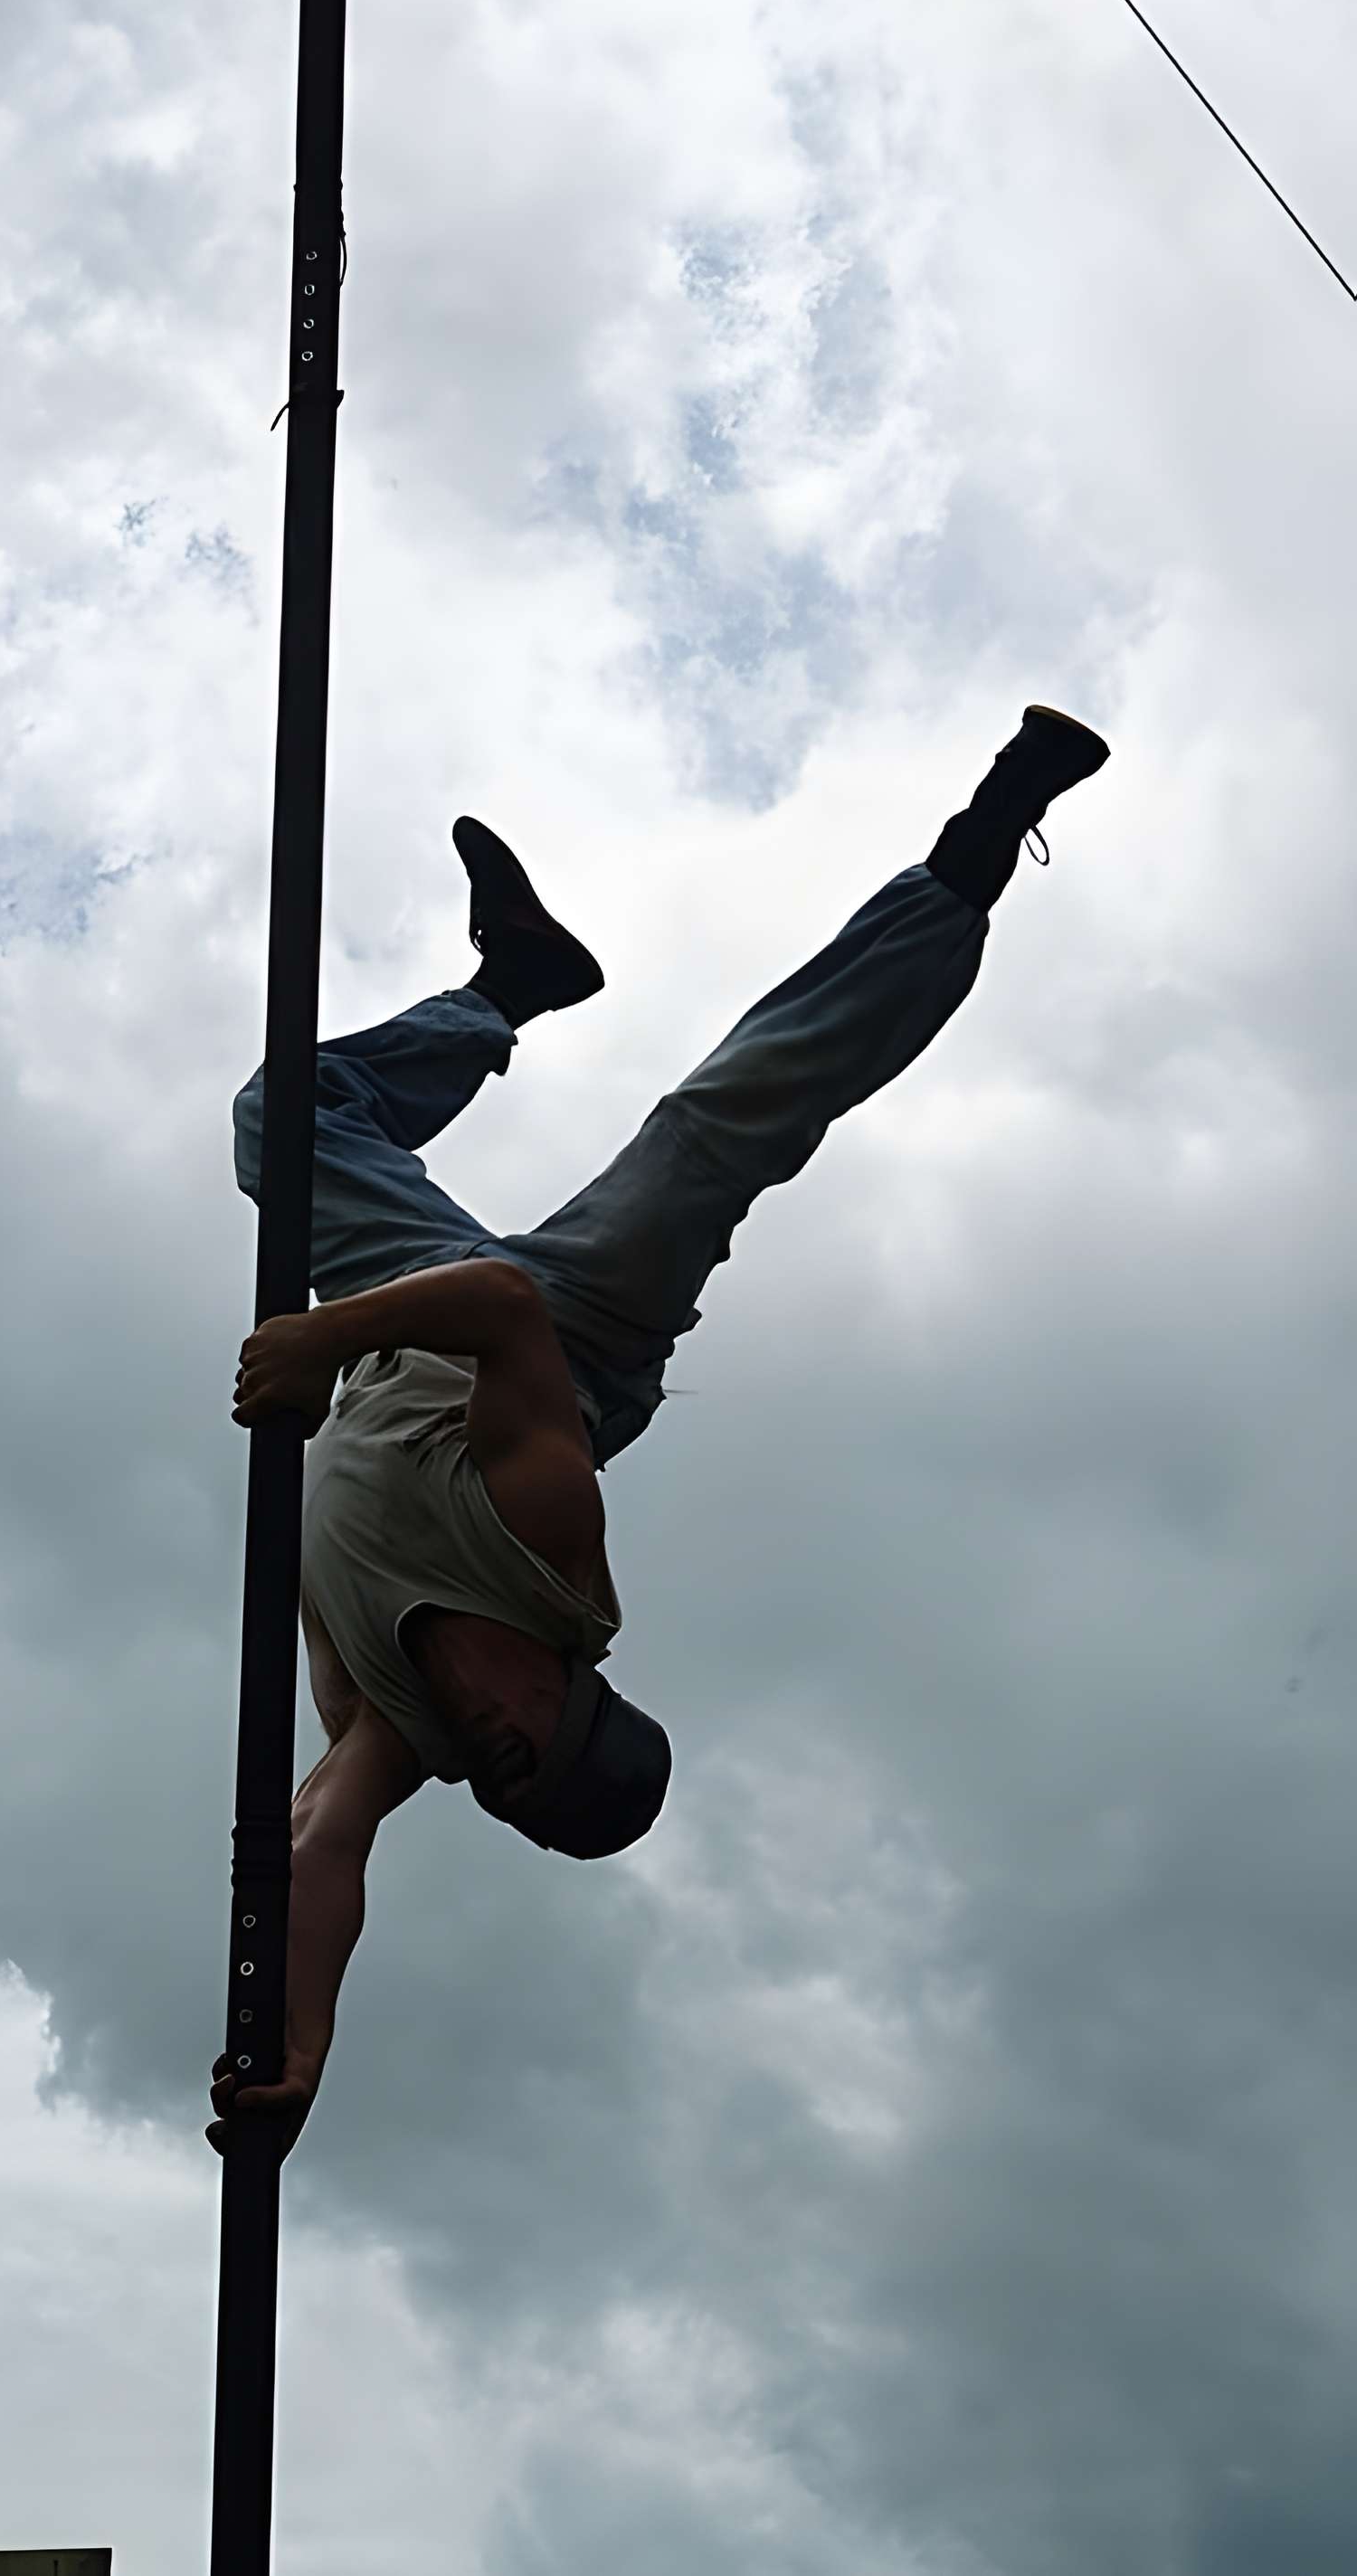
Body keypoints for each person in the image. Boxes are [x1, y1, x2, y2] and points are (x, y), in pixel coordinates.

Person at [208, 704, 1110, 2155]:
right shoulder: (553, 1556)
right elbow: (503, 1307)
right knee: (728, 1117)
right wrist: (319, 1339)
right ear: (572, 1688)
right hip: (564, 1333)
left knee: (282, 1120)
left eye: (495, 1775)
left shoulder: (395, 1724)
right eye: (526, 1735)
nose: (488, 1738)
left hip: (394, 1337)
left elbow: (319, 1841)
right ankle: (982, 844)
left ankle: (509, 988)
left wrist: (300, 2048)